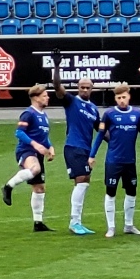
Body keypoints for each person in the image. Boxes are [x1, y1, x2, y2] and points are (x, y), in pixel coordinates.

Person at [89, 83, 140, 238]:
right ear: (115, 99)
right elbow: (100, 135)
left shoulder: (137, 114)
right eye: (119, 98)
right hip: (113, 161)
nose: (122, 100)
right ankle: (111, 227)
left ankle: (129, 225)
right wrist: (92, 155)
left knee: (131, 192)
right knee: (110, 192)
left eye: (124, 97)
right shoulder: (109, 114)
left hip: (130, 161)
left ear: (129, 96)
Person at [53, 71, 100, 235]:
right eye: (82, 87)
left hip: (86, 150)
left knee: (84, 181)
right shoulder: (71, 101)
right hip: (73, 147)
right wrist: (57, 66)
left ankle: (77, 221)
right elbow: (57, 87)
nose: (84, 90)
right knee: (82, 180)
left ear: (92, 89)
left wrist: (117, 140)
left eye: (87, 88)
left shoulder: (94, 109)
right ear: (78, 88)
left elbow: (100, 131)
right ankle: (74, 222)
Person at [2, 83, 54, 231]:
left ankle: (38, 223)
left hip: (38, 152)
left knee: (39, 188)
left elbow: (43, 136)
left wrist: (50, 147)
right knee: (35, 168)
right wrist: (35, 145)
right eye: (44, 96)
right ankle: (8, 186)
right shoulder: (28, 113)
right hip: (26, 150)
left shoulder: (43, 115)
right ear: (36, 98)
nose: (47, 98)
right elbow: (19, 132)